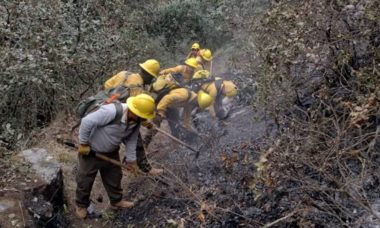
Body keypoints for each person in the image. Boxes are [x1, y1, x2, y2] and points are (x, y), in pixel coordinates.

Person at [75, 94, 159, 219]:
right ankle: (81, 205)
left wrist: (132, 161)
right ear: (133, 110)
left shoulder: (136, 121)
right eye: (141, 116)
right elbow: (87, 122)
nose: (142, 119)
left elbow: (131, 140)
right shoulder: (111, 111)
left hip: (112, 152)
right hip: (91, 151)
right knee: (85, 180)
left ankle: (116, 201)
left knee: (115, 176)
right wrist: (83, 143)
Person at [144, 74, 213, 146]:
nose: (196, 107)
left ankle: (176, 144)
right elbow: (167, 98)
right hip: (161, 103)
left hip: (170, 107)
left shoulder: (190, 103)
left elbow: (186, 120)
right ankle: (145, 143)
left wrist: (194, 132)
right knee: (156, 124)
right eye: (198, 106)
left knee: (176, 126)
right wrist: (160, 112)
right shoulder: (184, 95)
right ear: (198, 102)